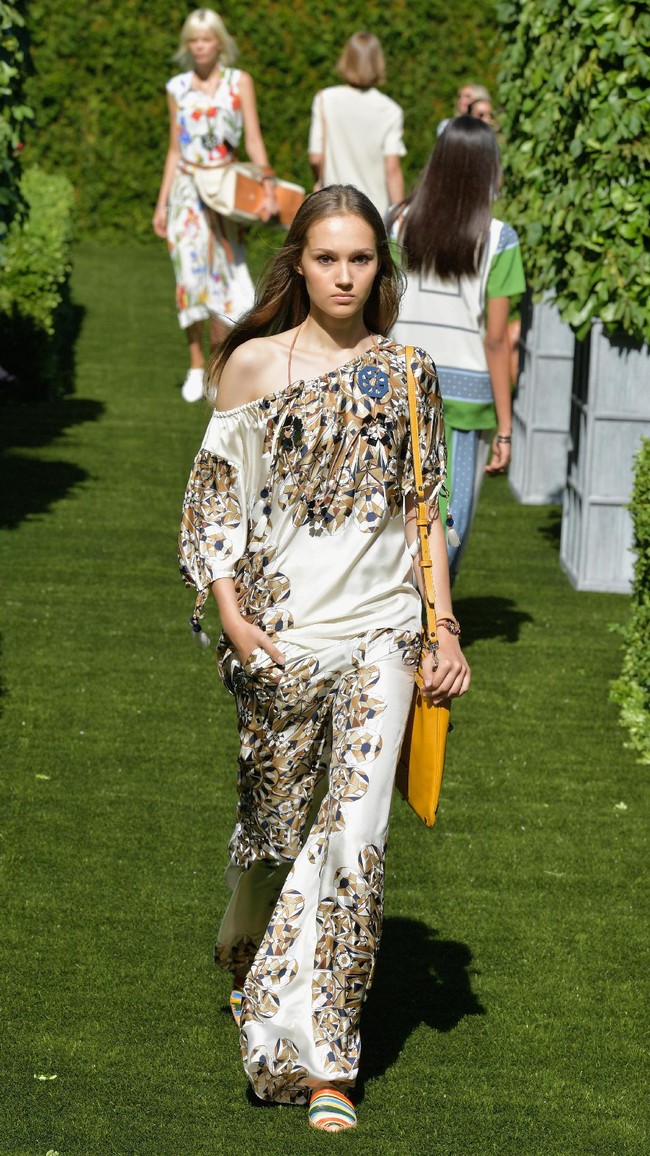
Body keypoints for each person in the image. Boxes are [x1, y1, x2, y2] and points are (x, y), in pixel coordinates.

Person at [178, 186, 470, 1131]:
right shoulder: (254, 366)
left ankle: (323, 1058)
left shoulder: (410, 372)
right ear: (297, 265)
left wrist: (444, 630)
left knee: (354, 835)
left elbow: (427, 512)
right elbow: (215, 500)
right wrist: (231, 618)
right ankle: (246, 931)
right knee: (272, 829)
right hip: (279, 635)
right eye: (327, 259)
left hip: (381, 632)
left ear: (382, 268)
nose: (345, 276)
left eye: (362, 260)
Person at [390, 117, 525, 580]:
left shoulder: (397, 220)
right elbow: (497, 337)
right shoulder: (500, 238)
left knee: (392, 512)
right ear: (489, 167)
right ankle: (434, 626)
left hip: (397, 382)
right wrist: (506, 428)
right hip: (465, 396)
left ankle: (403, 621)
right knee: (451, 519)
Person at [153, 9, 278, 403]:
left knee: (227, 284)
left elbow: (254, 139)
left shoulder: (239, 83)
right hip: (187, 194)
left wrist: (269, 187)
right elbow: (175, 149)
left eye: (206, 39)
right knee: (189, 279)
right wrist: (162, 203)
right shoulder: (177, 88)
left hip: (227, 192)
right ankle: (194, 363)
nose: (199, 46)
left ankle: (218, 367)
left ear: (219, 42)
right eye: (192, 40)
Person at [307, 32, 405, 218]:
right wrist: (398, 217)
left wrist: (320, 179)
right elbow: (392, 169)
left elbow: (315, 158)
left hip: (331, 207)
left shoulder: (325, 100)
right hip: (372, 212)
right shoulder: (391, 110)